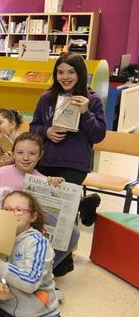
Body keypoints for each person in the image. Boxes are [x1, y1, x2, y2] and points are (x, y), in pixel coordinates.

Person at [0, 132, 78, 276]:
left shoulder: (43, 181)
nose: (26, 158)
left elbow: (48, 219)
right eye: (20, 152)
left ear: (40, 155)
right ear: (13, 154)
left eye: (32, 153)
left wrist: (56, 187)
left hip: (26, 238)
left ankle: (40, 273)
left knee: (72, 232)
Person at [30, 52, 106, 227]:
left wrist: (86, 112)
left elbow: (98, 135)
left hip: (75, 164)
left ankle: (67, 253)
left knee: (64, 209)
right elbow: (34, 127)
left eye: (71, 72)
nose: (65, 77)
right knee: (41, 205)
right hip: (46, 160)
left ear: (80, 73)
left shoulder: (92, 100)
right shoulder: (47, 98)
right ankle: (83, 204)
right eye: (60, 72)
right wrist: (46, 131)